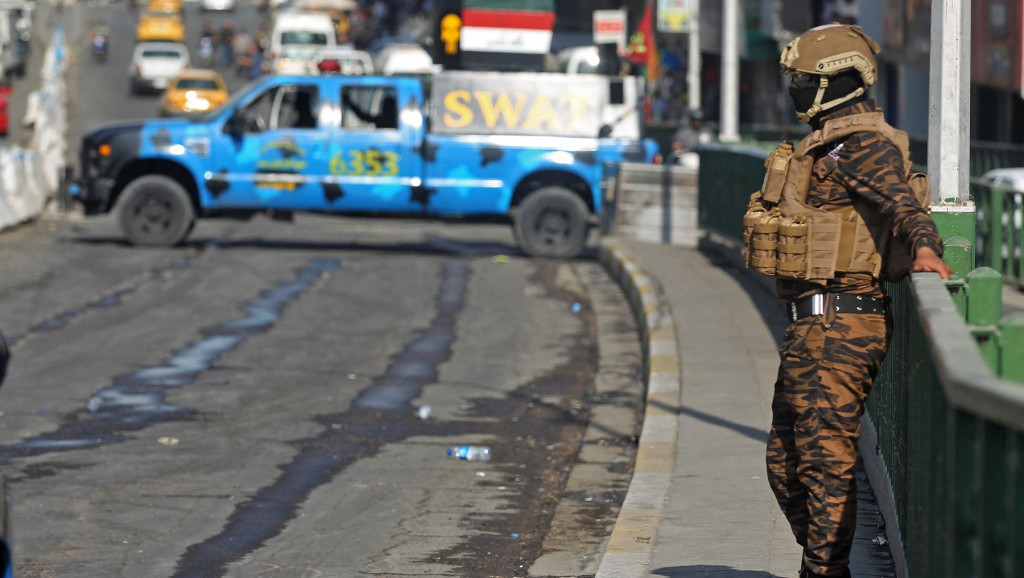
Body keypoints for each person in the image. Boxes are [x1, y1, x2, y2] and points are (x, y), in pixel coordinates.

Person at [747, 23, 953, 578]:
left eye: (803, 80)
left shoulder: (859, 145)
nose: (795, 89)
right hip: (810, 327)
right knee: (784, 462)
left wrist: (927, 249)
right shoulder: (828, 143)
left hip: (839, 324)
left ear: (838, 80)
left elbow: (904, 205)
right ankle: (825, 564)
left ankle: (824, 570)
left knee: (823, 463)